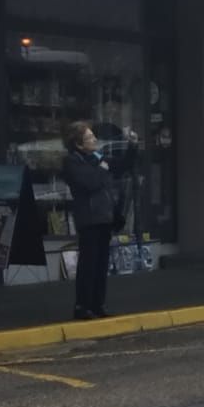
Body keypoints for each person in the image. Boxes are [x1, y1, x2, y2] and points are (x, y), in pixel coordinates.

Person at [63, 121, 120, 320]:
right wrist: (102, 168)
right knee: (88, 264)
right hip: (88, 219)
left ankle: (98, 304)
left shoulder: (97, 158)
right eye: (89, 137)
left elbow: (120, 166)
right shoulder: (72, 162)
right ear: (79, 144)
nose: (94, 139)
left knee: (102, 264)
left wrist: (131, 146)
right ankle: (82, 305)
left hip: (103, 217)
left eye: (93, 136)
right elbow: (90, 183)